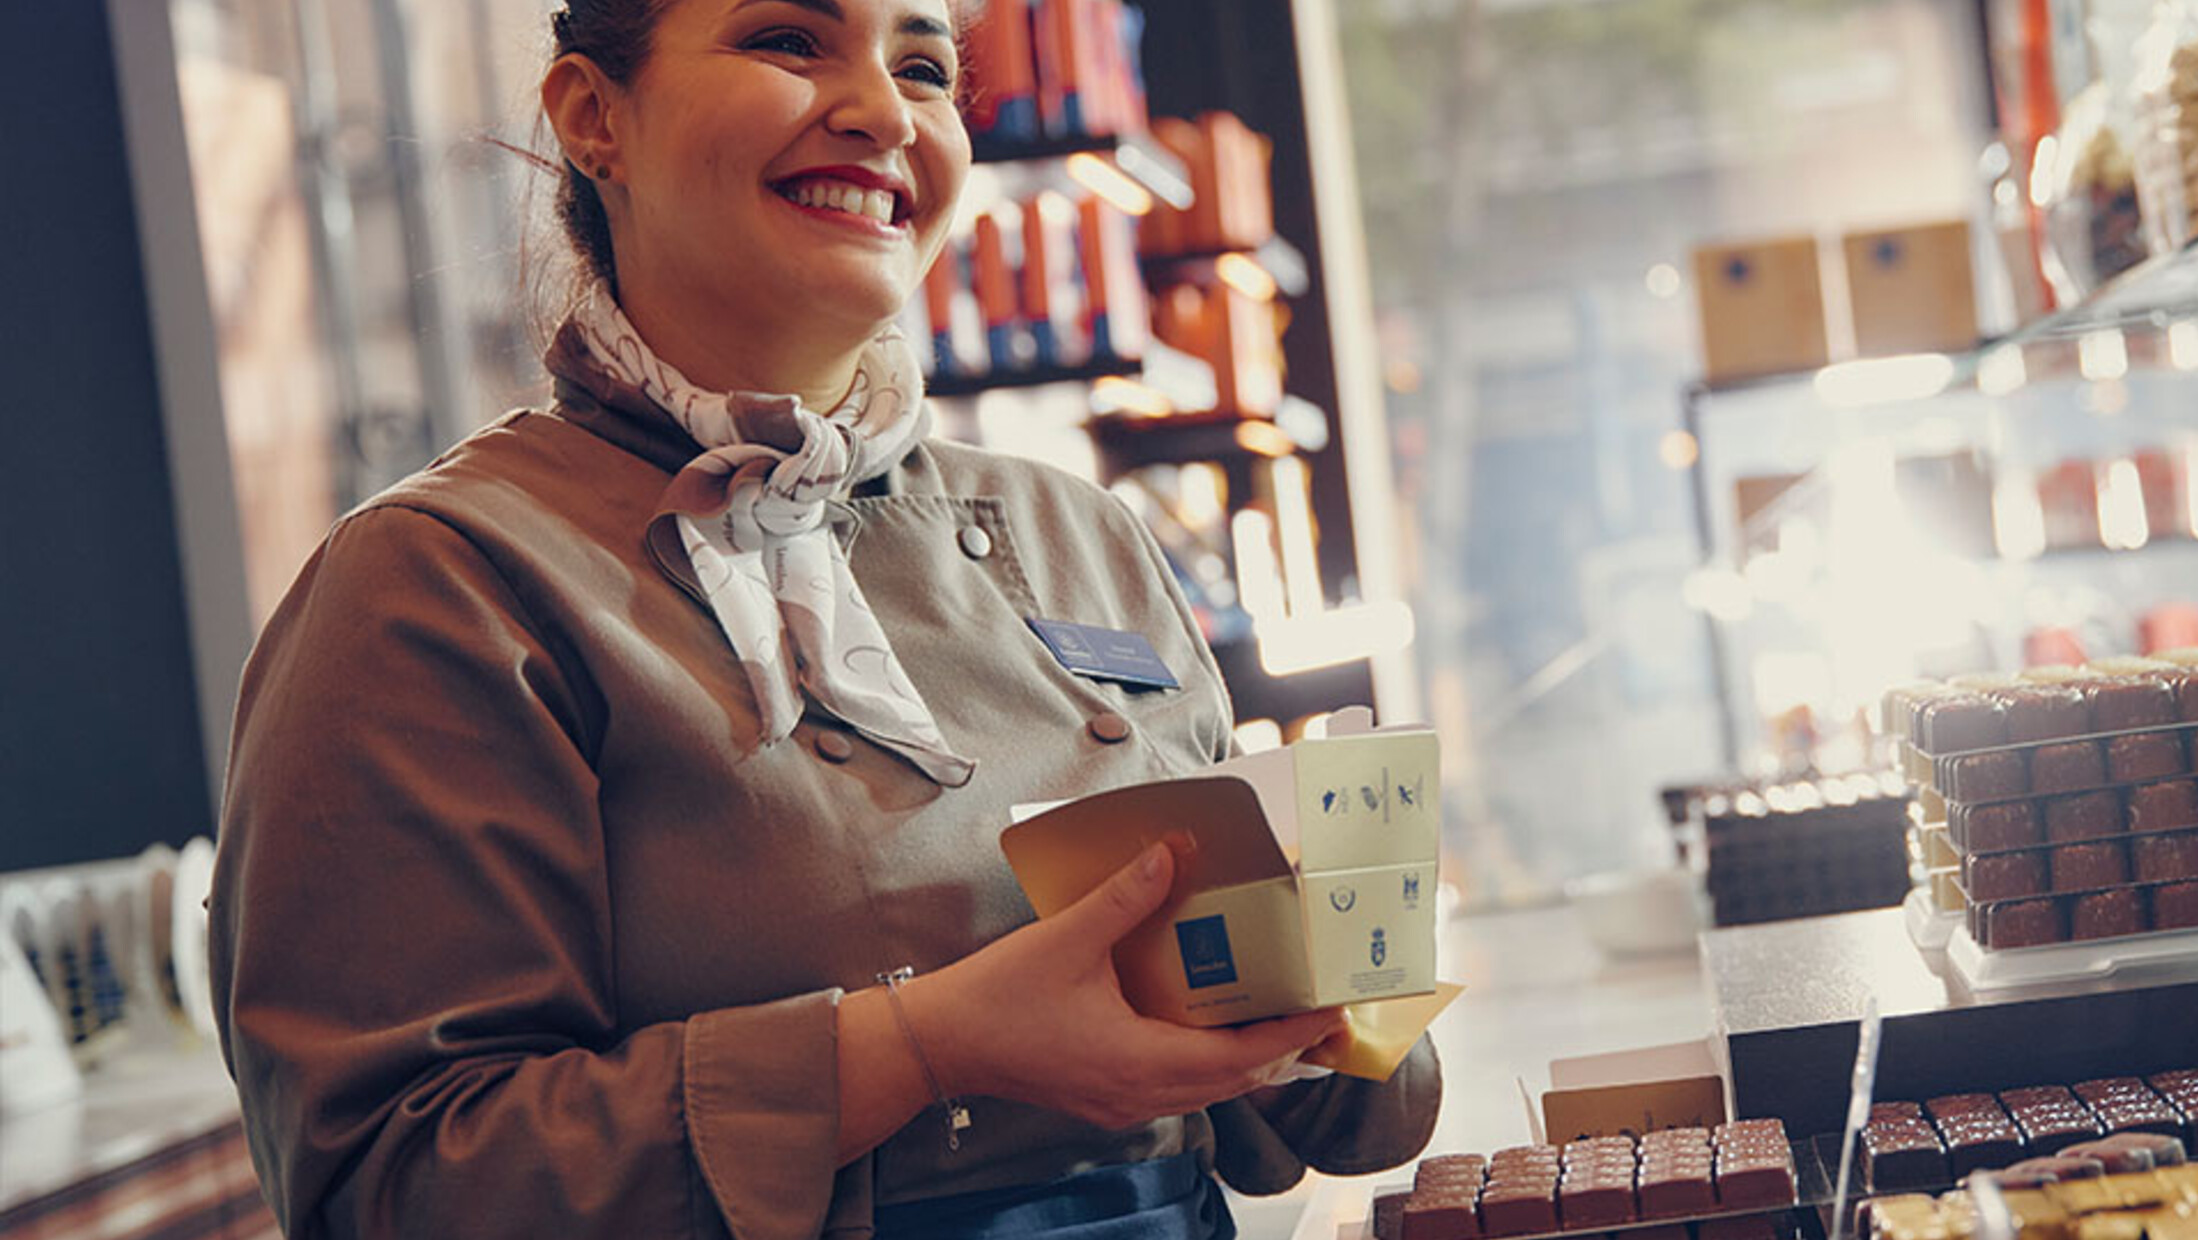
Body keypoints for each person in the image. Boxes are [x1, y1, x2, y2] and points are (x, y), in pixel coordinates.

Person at [204, 0, 1441, 1236]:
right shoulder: (440, 582)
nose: (881, 112)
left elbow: (1317, 1117)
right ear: (593, 118)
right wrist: (918, 1045)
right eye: (789, 41)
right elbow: (387, 1184)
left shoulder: (1081, 533)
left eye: (921, 66)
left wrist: (1342, 977)